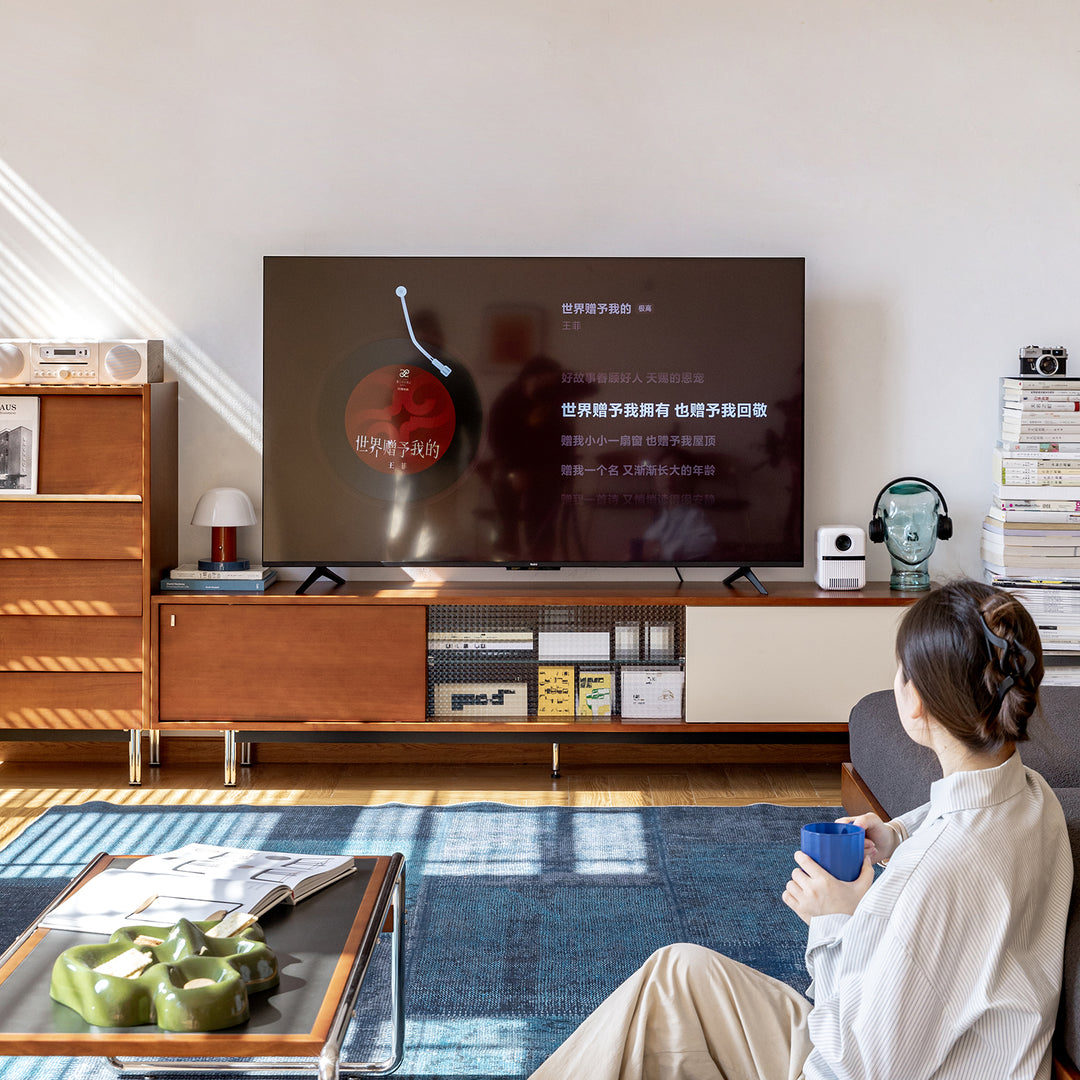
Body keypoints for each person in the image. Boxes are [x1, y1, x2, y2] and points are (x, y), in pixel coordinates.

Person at [528, 579, 1073, 1080]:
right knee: (677, 972)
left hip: (849, 1062)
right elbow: (956, 826)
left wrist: (836, 920)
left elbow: (846, 1069)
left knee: (667, 998)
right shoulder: (1032, 798)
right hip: (932, 1047)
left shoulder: (935, 883)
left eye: (899, 671)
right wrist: (897, 836)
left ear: (916, 702)